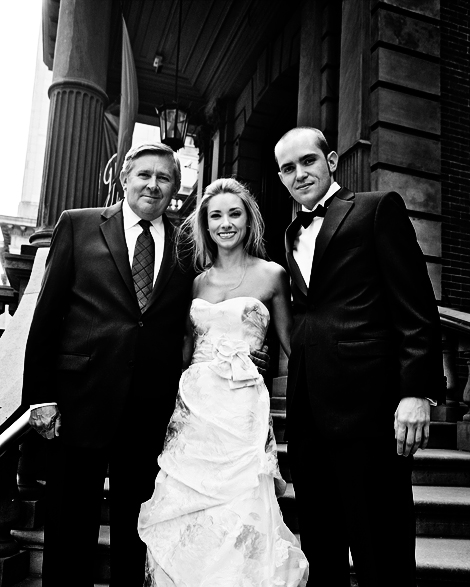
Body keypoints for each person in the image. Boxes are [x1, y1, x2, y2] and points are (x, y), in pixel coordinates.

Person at [22, 144, 267, 587]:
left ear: (175, 189)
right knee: (69, 523)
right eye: (145, 175)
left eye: (165, 178)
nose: (154, 185)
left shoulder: (188, 244)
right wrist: (40, 397)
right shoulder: (78, 225)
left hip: (151, 409)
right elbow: (47, 314)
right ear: (125, 178)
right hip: (80, 402)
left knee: (137, 530)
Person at [274, 127, 444, 587]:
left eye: (307, 161)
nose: (299, 173)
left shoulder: (375, 208)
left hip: (370, 410)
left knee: (381, 550)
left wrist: (416, 394)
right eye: (288, 168)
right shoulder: (289, 233)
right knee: (321, 549)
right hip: (309, 413)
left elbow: (416, 308)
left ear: (331, 160)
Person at [138, 177, 308, 586]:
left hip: (242, 407)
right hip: (194, 410)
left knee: (240, 505)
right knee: (191, 504)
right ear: (205, 225)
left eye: (235, 214)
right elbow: (184, 346)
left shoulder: (272, 275)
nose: (225, 223)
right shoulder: (195, 282)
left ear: (249, 221)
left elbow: (294, 348)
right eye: (216, 215)